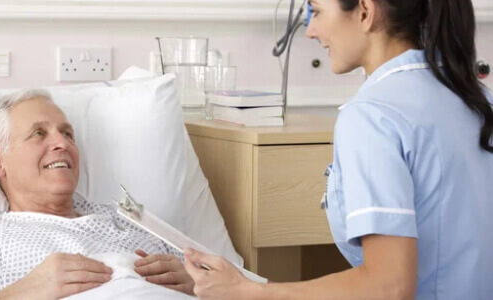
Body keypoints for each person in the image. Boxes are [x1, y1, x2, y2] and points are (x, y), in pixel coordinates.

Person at [182, 0, 493, 299]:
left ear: (365, 12)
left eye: (316, 11)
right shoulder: (480, 99)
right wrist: (239, 283)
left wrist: (250, 293)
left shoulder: (372, 117)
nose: (310, 30)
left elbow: (389, 287)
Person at [0, 90, 195, 300]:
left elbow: (230, 284)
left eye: (67, 134)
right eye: (38, 134)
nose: (62, 143)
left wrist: (197, 284)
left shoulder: (130, 221)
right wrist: (21, 294)